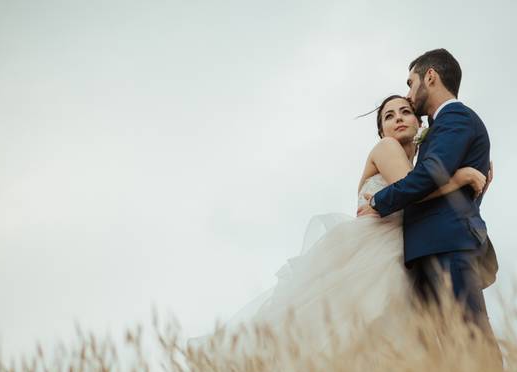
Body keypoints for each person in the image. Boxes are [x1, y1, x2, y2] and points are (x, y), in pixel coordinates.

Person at [193, 94, 490, 356]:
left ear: (418, 122)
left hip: (402, 258)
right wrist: (461, 178)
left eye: (405, 112)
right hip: (373, 257)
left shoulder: (419, 167)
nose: (398, 118)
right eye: (389, 116)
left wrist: (477, 186)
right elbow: (411, 190)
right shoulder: (387, 148)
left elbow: (424, 195)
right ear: (381, 130)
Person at [358, 49, 499, 352]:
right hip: (419, 254)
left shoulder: (455, 118)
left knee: (469, 342)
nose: (409, 97)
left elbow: (425, 180)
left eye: (411, 84)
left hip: (444, 248)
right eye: (390, 115)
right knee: (451, 348)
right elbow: (429, 182)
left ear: (430, 77)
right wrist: (463, 179)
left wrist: (380, 201)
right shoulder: (405, 143)